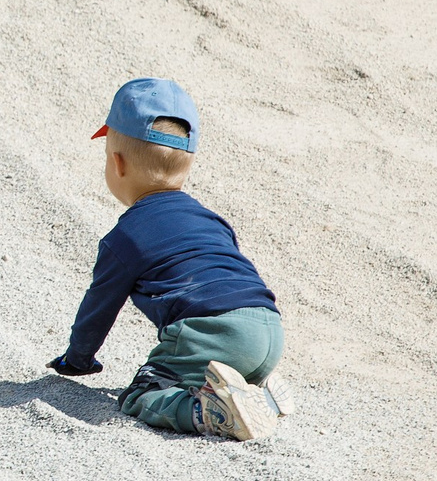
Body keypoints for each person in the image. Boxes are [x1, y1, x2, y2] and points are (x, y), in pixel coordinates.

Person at [45, 77, 289, 441]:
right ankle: (257, 391)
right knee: (216, 369)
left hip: (210, 332)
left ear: (117, 163)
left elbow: (98, 309)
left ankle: (207, 410)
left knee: (143, 392)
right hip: (267, 330)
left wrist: (77, 359)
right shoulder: (210, 219)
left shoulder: (125, 237)